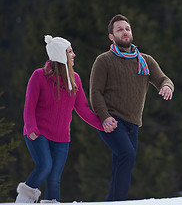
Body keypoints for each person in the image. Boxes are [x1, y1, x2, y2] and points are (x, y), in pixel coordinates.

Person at [15, 35, 117, 203]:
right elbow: (29, 106)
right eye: (70, 52)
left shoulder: (74, 79)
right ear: (60, 55)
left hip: (61, 137)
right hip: (38, 132)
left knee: (54, 177)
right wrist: (31, 127)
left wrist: (103, 124)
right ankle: (23, 201)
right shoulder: (38, 76)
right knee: (45, 166)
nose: (73, 55)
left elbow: (83, 109)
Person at [89, 14, 174, 201]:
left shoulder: (145, 60)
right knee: (127, 155)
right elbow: (95, 93)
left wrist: (166, 86)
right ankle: (118, 202)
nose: (125, 32)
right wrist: (104, 117)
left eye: (127, 28)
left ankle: (113, 201)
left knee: (122, 161)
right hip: (112, 121)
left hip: (133, 124)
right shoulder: (103, 60)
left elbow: (163, 79)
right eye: (119, 29)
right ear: (111, 36)